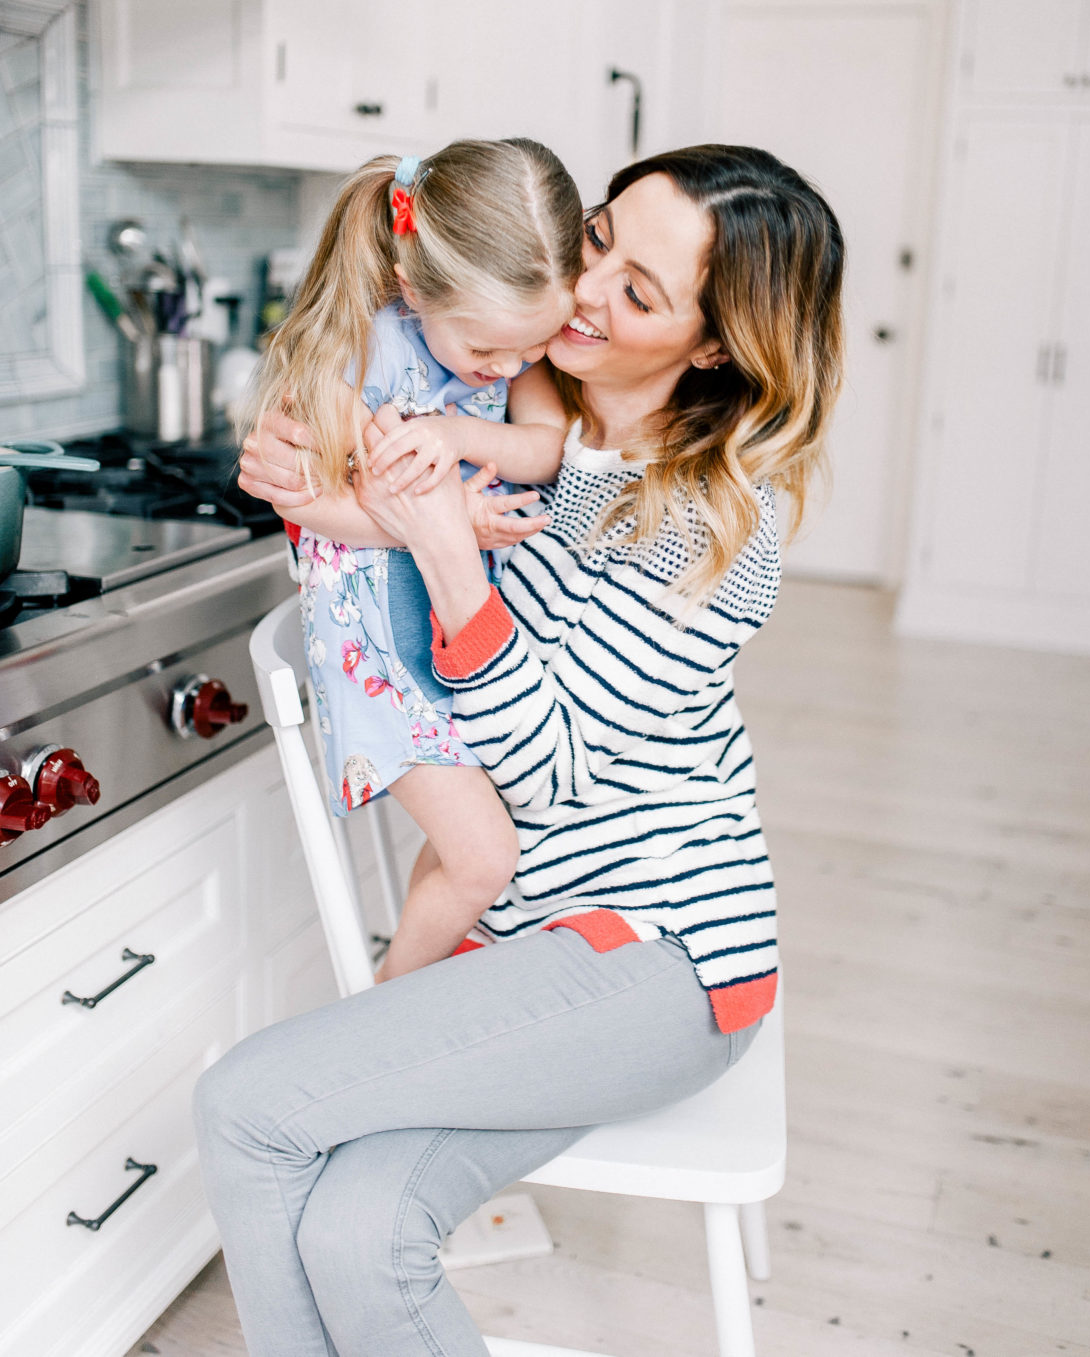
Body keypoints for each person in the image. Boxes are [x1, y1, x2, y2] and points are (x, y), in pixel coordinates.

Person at [197, 143, 845, 1357]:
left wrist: (442, 549)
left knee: (243, 1108)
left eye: (638, 293)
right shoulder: (511, 400)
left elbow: (537, 766)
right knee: (350, 1229)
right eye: (596, 241)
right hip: (523, 948)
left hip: (655, 965)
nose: (585, 293)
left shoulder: (712, 533)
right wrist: (287, 474)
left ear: (710, 347)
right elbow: (361, 436)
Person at [246, 139, 583, 979]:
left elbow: (546, 445)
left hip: (454, 636)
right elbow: (304, 500)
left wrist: (455, 433)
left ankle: (411, 993)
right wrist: (443, 524)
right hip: (378, 653)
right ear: (412, 286)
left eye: (529, 352)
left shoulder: (509, 336)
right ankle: (388, 1008)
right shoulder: (354, 349)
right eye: (489, 351)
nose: (509, 368)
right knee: (483, 858)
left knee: (475, 846)